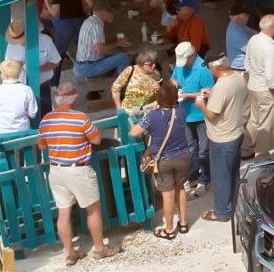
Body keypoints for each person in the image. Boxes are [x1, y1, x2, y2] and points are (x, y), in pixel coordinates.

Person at [37, 83, 119, 263]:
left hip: (56, 170)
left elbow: (41, 145)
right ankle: (100, 248)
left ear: (57, 99)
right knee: (93, 210)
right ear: (74, 98)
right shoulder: (80, 118)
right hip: (78, 169)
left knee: (63, 212)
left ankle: (70, 254)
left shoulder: (46, 119)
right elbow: (96, 139)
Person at [131, 80, 194, 240]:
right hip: (183, 156)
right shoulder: (179, 111)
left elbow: (135, 132)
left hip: (163, 160)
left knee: (168, 194)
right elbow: (171, 99)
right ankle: (184, 223)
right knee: (181, 188)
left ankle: (170, 229)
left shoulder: (152, 116)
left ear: (158, 99)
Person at [198, 55, 248, 222]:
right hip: (237, 132)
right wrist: (212, 95)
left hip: (222, 137)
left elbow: (212, 114)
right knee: (233, 172)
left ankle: (221, 212)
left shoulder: (221, 86)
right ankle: (233, 205)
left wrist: (202, 105)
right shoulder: (238, 78)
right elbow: (230, 99)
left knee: (220, 176)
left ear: (215, 67)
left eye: (209, 67)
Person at [170, 42, 213, 197]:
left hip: (200, 115)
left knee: (204, 150)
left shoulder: (203, 70)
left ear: (192, 55)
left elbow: (209, 92)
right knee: (191, 148)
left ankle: (205, 179)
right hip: (186, 114)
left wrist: (188, 95)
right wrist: (175, 84)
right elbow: (173, 78)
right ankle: (193, 176)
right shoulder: (180, 66)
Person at [241, 15, 274, 161]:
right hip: (266, 89)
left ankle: (246, 149)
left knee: (254, 119)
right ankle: (262, 155)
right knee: (267, 123)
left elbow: (247, 63)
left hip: (253, 85)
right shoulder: (269, 48)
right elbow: (270, 73)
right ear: (272, 28)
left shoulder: (253, 40)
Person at [3, 19, 60, 112]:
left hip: (42, 86)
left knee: (45, 115)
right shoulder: (11, 46)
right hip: (21, 89)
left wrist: (36, 69)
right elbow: (7, 68)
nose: (19, 42)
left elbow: (56, 62)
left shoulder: (45, 40)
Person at [74, 4, 131, 80]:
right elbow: (101, 50)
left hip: (82, 65)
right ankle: (122, 86)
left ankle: (116, 79)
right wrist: (117, 43)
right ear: (103, 12)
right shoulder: (96, 25)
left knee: (115, 55)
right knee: (123, 57)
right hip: (88, 68)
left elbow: (98, 42)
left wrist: (115, 40)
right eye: (110, 12)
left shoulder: (89, 21)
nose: (112, 14)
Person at [111, 50, 163, 116]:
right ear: (141, 64)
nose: (154, 66)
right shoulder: (130, 70)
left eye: (155, 63)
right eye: (150, 64)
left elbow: (159, 95)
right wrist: (119, 109)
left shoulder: (156, 74)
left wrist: (159, 88)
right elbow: (115, 88)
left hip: (146, 112)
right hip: (128, 111)